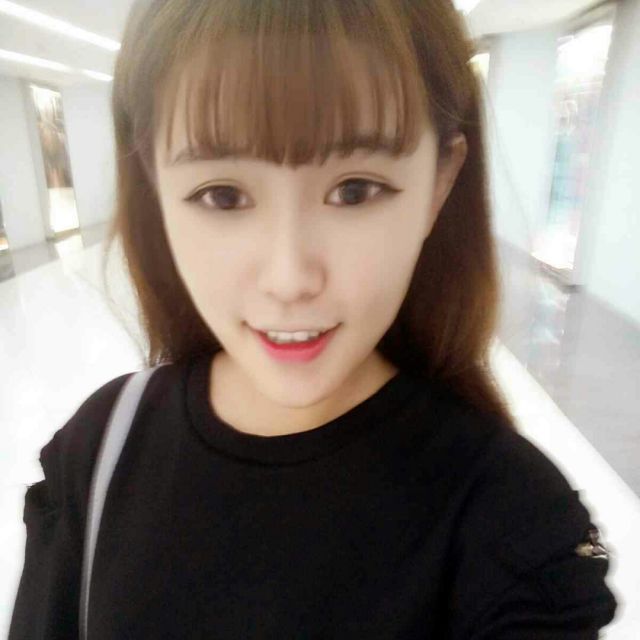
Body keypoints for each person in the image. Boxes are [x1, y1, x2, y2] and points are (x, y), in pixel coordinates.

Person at [9, 0, 618, 638]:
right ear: (155, 186)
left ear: (440, 182)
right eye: (222, 195)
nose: (289, 279)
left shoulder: (508, 521)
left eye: (355, 190)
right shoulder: (102, 449)